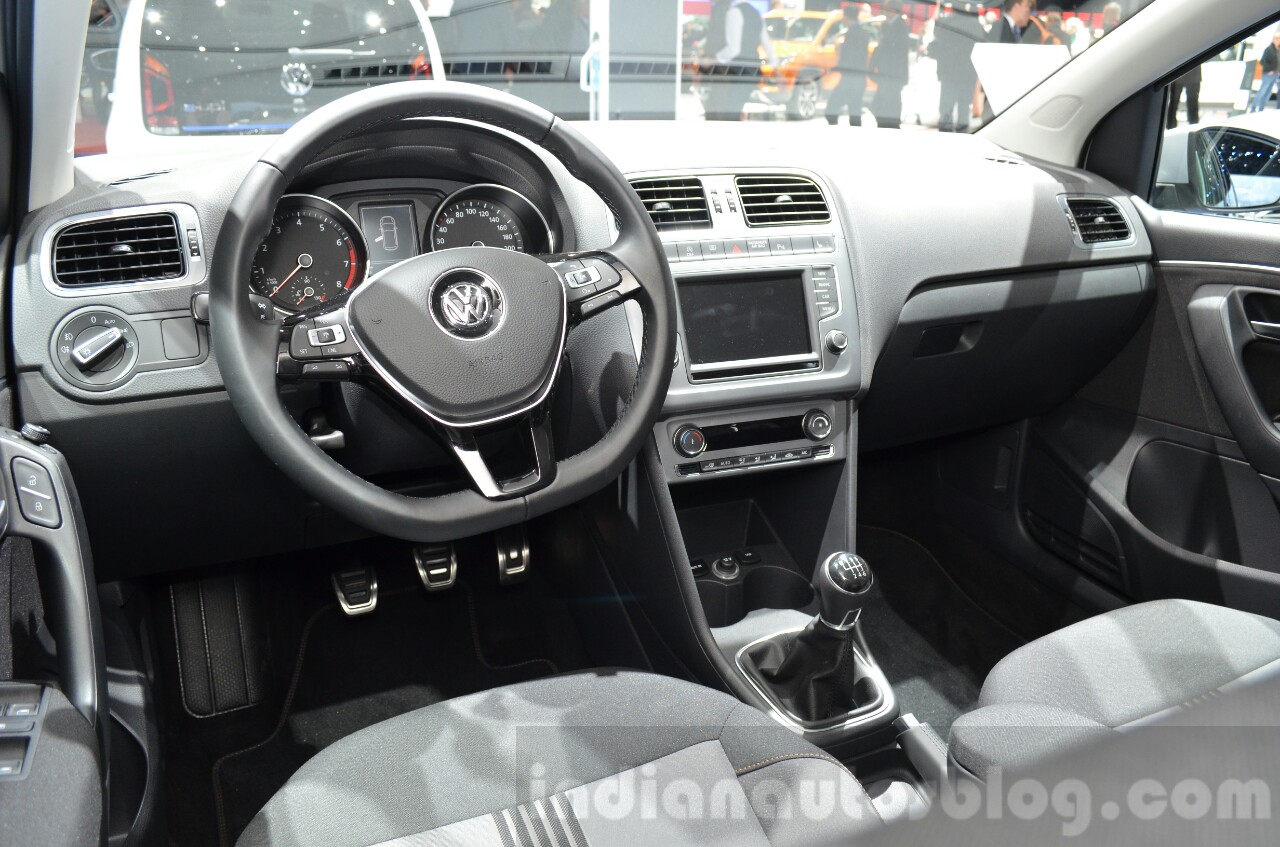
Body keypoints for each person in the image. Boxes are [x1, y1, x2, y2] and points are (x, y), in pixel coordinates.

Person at [702, 0, 778, 121]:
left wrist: (713, 59)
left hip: (737, 72)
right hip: (753, 71)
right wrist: (774, 64)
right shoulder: (755, 13)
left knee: (729, 111)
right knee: (734, 109)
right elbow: (767, 44)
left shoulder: (734, 12)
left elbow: (734, 49)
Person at [930, 2, 984, 132]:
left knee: (946, 109)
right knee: (964, 108)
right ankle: (962, 132)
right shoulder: (976, 25)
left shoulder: (947, 23)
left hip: (949, 72)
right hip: (967, 74)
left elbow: (937, 39)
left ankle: (945, 132)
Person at [825, 3, 872, 125]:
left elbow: (850, 57)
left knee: (831, 109)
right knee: (854, 112)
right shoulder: (861, 32)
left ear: (846, 17)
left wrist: (838, 62)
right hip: (858, 78)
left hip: (850, 79)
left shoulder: (852, 34)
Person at [869, 0, 911, 128]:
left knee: (888, 107)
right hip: (887, 74)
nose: (883, 11)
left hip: (892, 74)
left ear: (893, 10)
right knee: (881, 106)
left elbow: (894, 51)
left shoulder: (899, 26)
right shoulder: (890, 25)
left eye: (886, 9)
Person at [1253, 32, 1280, 113]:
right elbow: (1263, 62)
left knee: (1268, 93)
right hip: (1268, 74)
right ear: (1275, 39)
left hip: (1276, 74)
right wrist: (1270, 70)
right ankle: (1253, 108)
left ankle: (1261, 109)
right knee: (1263, 91)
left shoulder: (1277, 50)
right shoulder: (1269, 49)